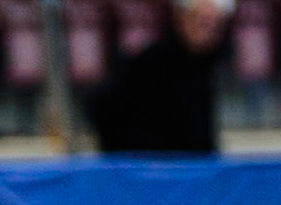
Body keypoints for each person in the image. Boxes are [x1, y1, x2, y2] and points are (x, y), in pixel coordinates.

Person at [91, 0, 230, 154]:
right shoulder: (155, 62)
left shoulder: (208, 66)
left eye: (215, 26)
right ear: (181, 19)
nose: (208, 31)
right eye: (202, 22)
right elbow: (107, 109)